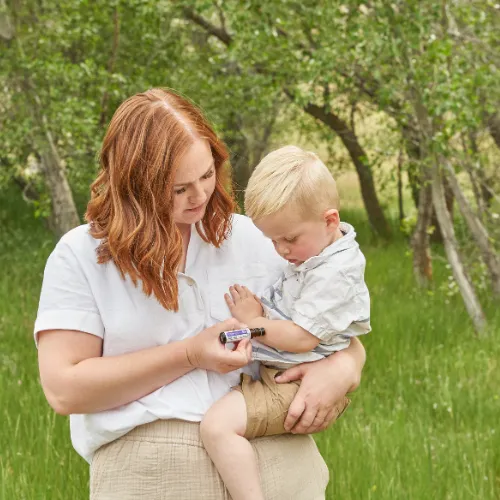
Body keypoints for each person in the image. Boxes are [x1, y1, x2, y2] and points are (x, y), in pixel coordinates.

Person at [34, 88, 367, 500]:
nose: (200, 196)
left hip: (279, 465)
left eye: (207, 175)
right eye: (178, 189)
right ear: (134, 185)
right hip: (152, 477)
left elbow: (329, 325)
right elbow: (64, 389)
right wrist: (190, 354)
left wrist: (346, 366)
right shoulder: (83, 255)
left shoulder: (263, 237)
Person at [200, 146, 371, 500]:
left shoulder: (335, 273)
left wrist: (254, 322)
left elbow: (301, 337)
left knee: (217, 427)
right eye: (272, 240)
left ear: (330, 221)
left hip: (294, 379)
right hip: (287, 368)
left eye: (289, 239)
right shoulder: (317, 252)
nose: (281, 251)